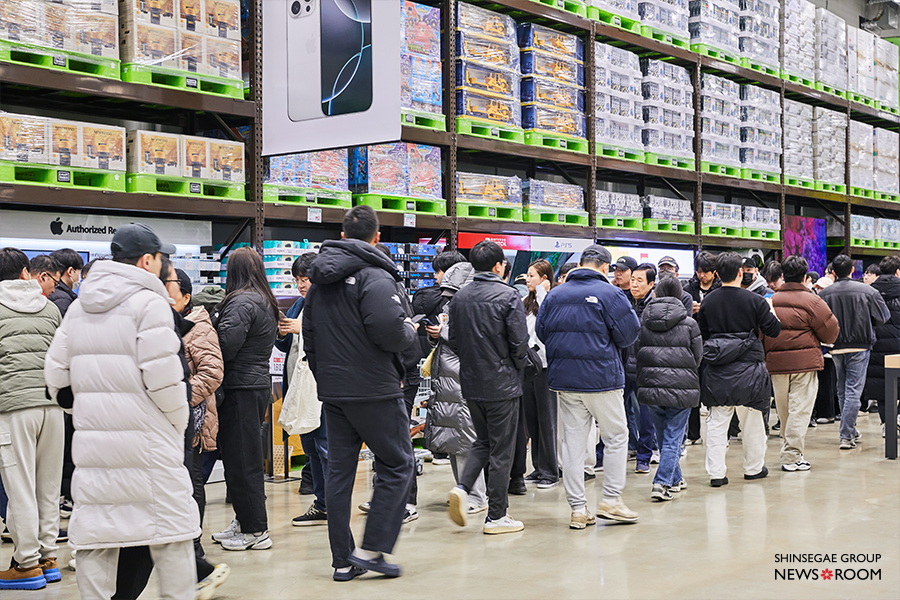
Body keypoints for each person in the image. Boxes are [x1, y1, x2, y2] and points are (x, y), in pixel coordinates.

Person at [44, 224, 200, 599]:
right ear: (147, 260)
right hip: (150, 445)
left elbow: (56, 378)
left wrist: (91, 410)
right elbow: (165, 382)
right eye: (161, 258)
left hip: (95, 449)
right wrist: (176, 425)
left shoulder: (79, 307)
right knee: (172, 535)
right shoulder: (150, 305)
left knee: (97, 536)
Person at [303, 205, 418, 580]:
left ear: (342, 236)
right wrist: (410, 332)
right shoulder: (375, 276)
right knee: (398, 463)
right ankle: (372, 549)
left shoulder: (318, 282)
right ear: (377, 237)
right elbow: (390, 332)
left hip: (334, 392)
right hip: (375, 389)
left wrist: (326, 378)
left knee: (339, 474)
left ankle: (342, 560)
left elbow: (310, 338)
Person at [537, 244, 641, 529]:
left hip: (565, 380)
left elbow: (542, 332)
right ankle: (611, 500)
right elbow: (629, 335)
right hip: (602, 379)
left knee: (573, 444)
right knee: (616, 436)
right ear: (605, 267)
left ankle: (578, 509)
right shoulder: (611, 294)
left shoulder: (555, 294)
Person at [445, 241, 529, 535]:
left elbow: (454, 340)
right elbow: (519, 342)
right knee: (502, 451)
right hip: (502, 383)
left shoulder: (460, 297)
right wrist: (518, 366)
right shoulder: (509, 295)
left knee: (482, 442)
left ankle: (462, 487)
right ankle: (497, 516)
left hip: (471, 381)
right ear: (499, 266)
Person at [0, 248, 63, 590]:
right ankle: (48, 557)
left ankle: (26, 564)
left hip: (13, 407)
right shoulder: (50, 308)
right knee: (48, 487)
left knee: (20, 488)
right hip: (52, 407)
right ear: (26, 273)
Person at [164, 266, 230, 595]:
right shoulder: (164, 324)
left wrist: (180, 397)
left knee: (192, 483)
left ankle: (196, 551)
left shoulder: (199, 326)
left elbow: (212, 372)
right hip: (170, 420)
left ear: (186, 297)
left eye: (170, 290)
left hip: (191, 417)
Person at [210, 248, 278, 552]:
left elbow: (226, 345)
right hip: (253, 385)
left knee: (242, 461)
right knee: (241, 459)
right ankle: (244, 519)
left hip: (241, 388)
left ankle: (255, 530)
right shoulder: (264, 299)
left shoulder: (241, 301)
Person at [696, 251, 781, 487]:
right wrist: (771, 309)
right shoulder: (755, 301)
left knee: (716, 423)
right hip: (750, 370)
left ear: (716, 274)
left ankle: (716, 474)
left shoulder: (708, 301)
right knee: (752, 422)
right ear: (741, 273)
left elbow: (702, 335)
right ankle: (753, 468)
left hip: (718, 369)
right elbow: (774, 330)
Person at [423, 261, 489, 515]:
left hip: (462, 381)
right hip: (448, 381)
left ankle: (476, 495)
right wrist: (436, 335)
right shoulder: (452, 306)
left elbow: (474, 341)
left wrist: (443, 333)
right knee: (454, 441)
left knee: (465, 440)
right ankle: (463, 490)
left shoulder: (476, 307)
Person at [762, 256, 839, 472]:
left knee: (784, 411)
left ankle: (793, 451)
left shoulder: (770, 301)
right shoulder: (813, 301)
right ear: (805, 277)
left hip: (776, 363)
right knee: (800, 410)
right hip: (804, 364)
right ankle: (791, 456)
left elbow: (761, 332)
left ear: (783, 276)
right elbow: (830, 331)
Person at [275, 253, 331, 527]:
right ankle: (321, 504)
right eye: (297, 279)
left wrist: (304, 329)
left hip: (323, 389)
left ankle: (332, 505)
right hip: (299, 386)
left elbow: (336, 340)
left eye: (305, 279)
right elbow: (285, 346)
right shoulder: (298, 304)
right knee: (310, 447)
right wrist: (282, 332)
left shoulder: (331, 303)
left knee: (325, 447)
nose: (300, 285)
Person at [635, 276, 701, 502]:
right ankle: (661, 482)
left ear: (655, 293)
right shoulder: (689, 324)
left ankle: (675, 479)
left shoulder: (643, 321)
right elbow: (697, 357)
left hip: (651, 385)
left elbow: (637, 352)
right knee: (673, 437)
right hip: (682, 387)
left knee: (664, 436)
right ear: (680, 296)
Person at [818, 254, 890, 449]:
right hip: (860, 345)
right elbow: (884, 316)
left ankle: (849, 430)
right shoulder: (868, 291)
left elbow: (819, 321)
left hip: (835, 346)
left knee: (842, 389)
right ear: (852, 270)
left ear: (833, 272)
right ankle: (846, 434)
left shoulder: (824, 294)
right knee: (853, 390)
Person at [521, 259, 558, 489]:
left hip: (545, 368)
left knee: (547, 422)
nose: (527, 279)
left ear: (544, 279)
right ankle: (537, 467)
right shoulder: (525, 302)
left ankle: (550, 472)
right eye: (527, 275)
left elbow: (549, 321)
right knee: (532, 421)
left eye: (532, 275)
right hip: (527, 368)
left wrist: (544, 292)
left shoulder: (550, 300)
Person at [624, 263, 659, 474]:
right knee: (617, 413)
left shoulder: (655, 307)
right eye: (633, 279)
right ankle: (605, 454)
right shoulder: (623, 302)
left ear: (651, 284)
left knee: (646, 417)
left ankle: (644, 457)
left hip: (645, 369)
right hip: (623, 368)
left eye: (639, 280)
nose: (634, 284)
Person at [863, 256, 900, 436]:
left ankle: (887, 425)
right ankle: (898, 418)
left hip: (875, 346)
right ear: (898, 271)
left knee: (882, 387)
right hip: (898, 346)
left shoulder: (869, 291)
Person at [47, 248, 83, 318]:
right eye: (79, 272)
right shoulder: (64, 299)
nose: (80, 276)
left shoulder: (48, 291)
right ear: (70, 271)